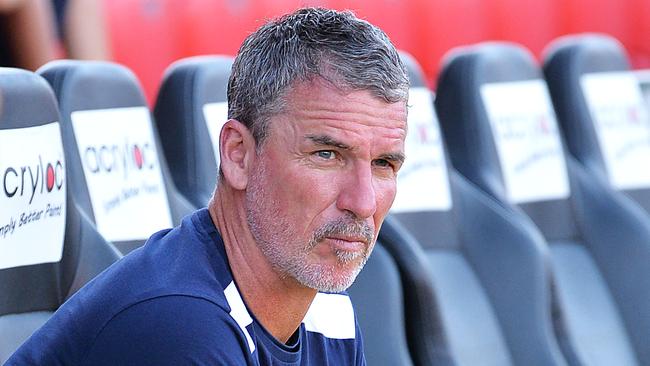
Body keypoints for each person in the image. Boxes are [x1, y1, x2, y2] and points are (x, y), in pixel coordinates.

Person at [6, 7, 409, 365]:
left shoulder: (327, 314)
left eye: (384, 164)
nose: (363, 201)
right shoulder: (181, 328)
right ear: (238, 155)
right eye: (327, 155)